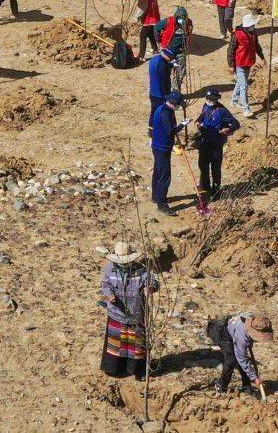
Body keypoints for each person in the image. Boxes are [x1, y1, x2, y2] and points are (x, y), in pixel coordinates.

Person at [98, 242, 159, 379]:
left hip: (136, 313)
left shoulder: (141, 270)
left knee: (136, 344)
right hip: (116, 312)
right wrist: (108, 294)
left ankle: (138, 371)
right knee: (116, 342)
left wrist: (150, 287)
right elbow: (105, 284)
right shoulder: (109, 269)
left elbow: (153, 281)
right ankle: (115, 369)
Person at [194, 89, 240, 214]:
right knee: (203, 166)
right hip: (204, 142)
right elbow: (203, 115)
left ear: (216, 100)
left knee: (215, 167)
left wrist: (228, 130)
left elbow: (236, 124)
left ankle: (217, 190)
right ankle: (205, 188)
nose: (208, 101)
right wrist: (198, 122)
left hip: (216, 144)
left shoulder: (222, 111)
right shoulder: (205, 106)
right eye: (207, 99)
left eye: (211, 100)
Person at [209, 310, 272, 399]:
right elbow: (241, 358)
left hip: (232, 332)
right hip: (222, 333)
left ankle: (246, 386)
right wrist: (255, 378)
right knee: (232, 360)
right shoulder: (241, 335)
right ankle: (221, 386)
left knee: (243, 359)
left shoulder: (255, 321)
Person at [150, 91, 182, 212]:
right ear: (174, 104)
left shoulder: (160, 108)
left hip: (156, 145)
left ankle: (155, 197)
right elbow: (170, 132)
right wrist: (181, 126)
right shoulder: (166, 113)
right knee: (164, 176)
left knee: (157, 172)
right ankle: (162, 204)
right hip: (163, 147)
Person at [231, 14, 261, 117]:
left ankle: (234, 100)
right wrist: (231, 65)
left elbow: (256, 45)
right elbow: (231, 50)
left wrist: (262, 57)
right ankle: (246, 109)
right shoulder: (237, 35)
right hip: (239, 63)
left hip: (249, 62)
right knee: (244, 86)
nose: (254, 26)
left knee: (241, 82)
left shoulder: (253, 33)